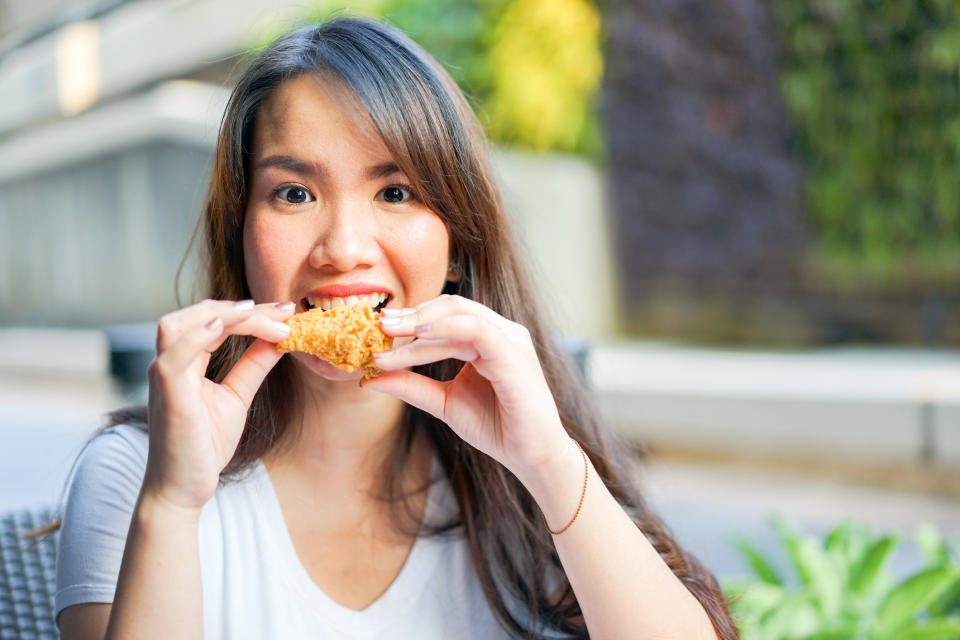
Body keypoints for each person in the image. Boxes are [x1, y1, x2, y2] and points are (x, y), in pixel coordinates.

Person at [55, 16, 738, 640]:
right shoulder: (139, 474)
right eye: (294, 193)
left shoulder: (523, 474)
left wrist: (550, 463)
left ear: (458, 245)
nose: (343, 247)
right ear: (240, 234)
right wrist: (174, 504)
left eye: (396, 191)